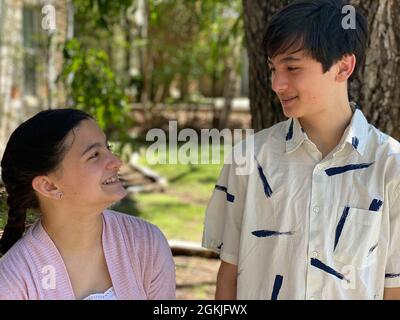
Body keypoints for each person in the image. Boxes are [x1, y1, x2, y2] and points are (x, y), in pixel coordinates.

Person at [202, 0, 400, 300]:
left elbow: (393, 288)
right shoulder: (249, 160)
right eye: (273, 68)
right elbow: (228, 276)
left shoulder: (391, 166)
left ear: (343, 67)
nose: (277, 84)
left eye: (292, 68)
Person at [0, 108, 176, 300]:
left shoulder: (146, 243)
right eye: (94, 155)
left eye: (108, 148)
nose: (116, 162)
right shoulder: (12, 283)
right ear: (49, 186)